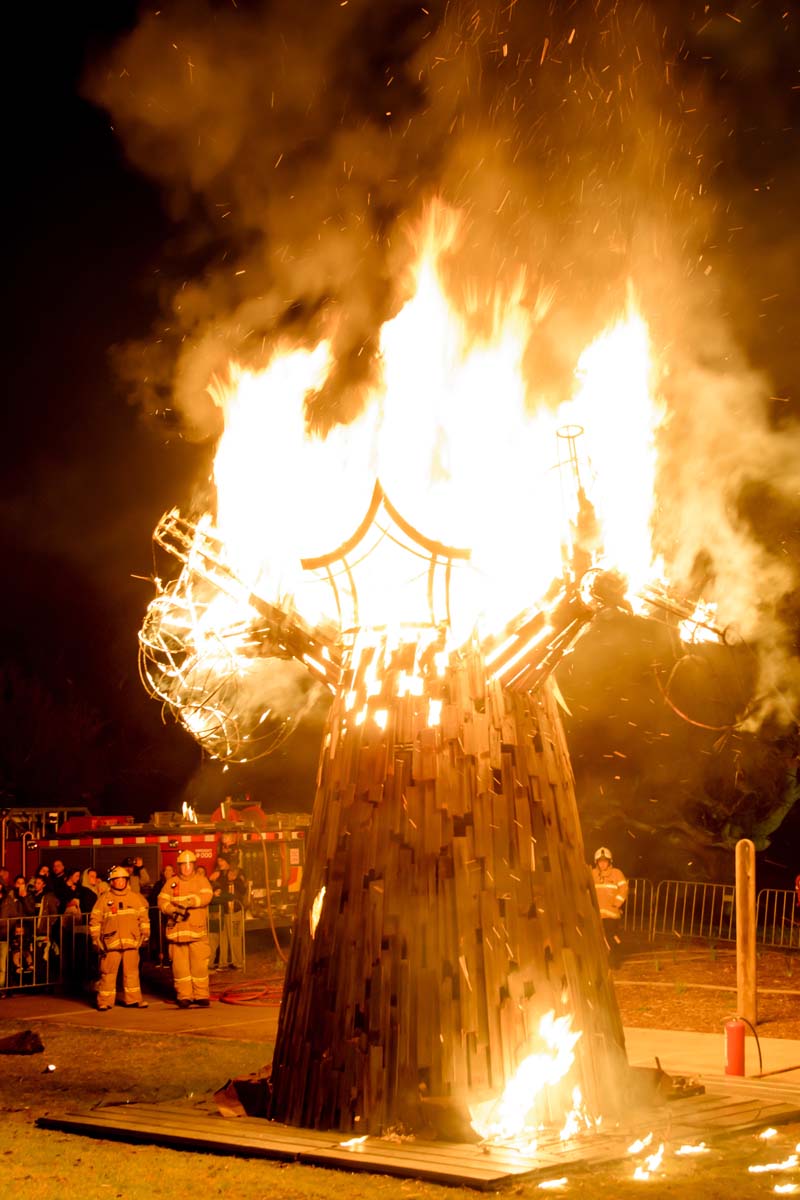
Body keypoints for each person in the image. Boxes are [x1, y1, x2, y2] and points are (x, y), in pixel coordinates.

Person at [89, 865, 150, 1011]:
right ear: (112, 882)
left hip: (131, 942)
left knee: (132, 973)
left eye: (123, 879)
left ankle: (134, 999)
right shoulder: (104, 899)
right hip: (110, 944)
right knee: (108, 974)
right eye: (117, 880)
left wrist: (145, 934)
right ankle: (104, 1001)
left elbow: (144, 918)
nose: (120, 882)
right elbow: (95, 920)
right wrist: (95, 939)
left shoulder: (135, 898)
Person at [158, 850, 213, 1008]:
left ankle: (201, 995)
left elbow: (207, 896)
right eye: (183, 865)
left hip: (197, 933)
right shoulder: (172, 882)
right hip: (177, 933)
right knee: (180, 968)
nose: (187, 868)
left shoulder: (201, 881)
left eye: (189, 864)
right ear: (179, 866)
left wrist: (190, 901)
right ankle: (184, 996)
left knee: (199, 967)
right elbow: (162, 900)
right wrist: (171, 909)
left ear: (194, 865)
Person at [591, 847, 629, 967]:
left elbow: (624, 889)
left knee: (611, 937)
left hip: (611, 914)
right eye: (600, 861)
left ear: (609, 861)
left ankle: (615, 961)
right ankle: (601, 963)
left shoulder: (617, 873)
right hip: (596, 914)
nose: (602, 864)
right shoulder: (592, 874)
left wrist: (616, 904)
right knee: (597, 939)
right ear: (596, 862)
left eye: (605, 861)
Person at [208, 856, 247, 971]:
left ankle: (238, 963)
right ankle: (223, 963)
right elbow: (216, 891)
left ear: (228, 862)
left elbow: (243, 889)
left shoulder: (238, 873)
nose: (220, 863)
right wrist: (212, 880)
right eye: (218, 860)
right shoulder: (220, 875)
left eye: (222, 860)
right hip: (223, 911)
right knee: (223, 939)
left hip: (235, 911)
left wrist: (234, 879)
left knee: (235, 937)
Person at [0, 877, 35, 987]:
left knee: (4, 963)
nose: (20, 885)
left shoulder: (11, 899)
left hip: (10, 932)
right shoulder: (11, 897)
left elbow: (28, 912)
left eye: (22, 883)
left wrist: (24, 898)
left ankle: (3, 986)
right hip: (9, 930)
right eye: (18, 883)